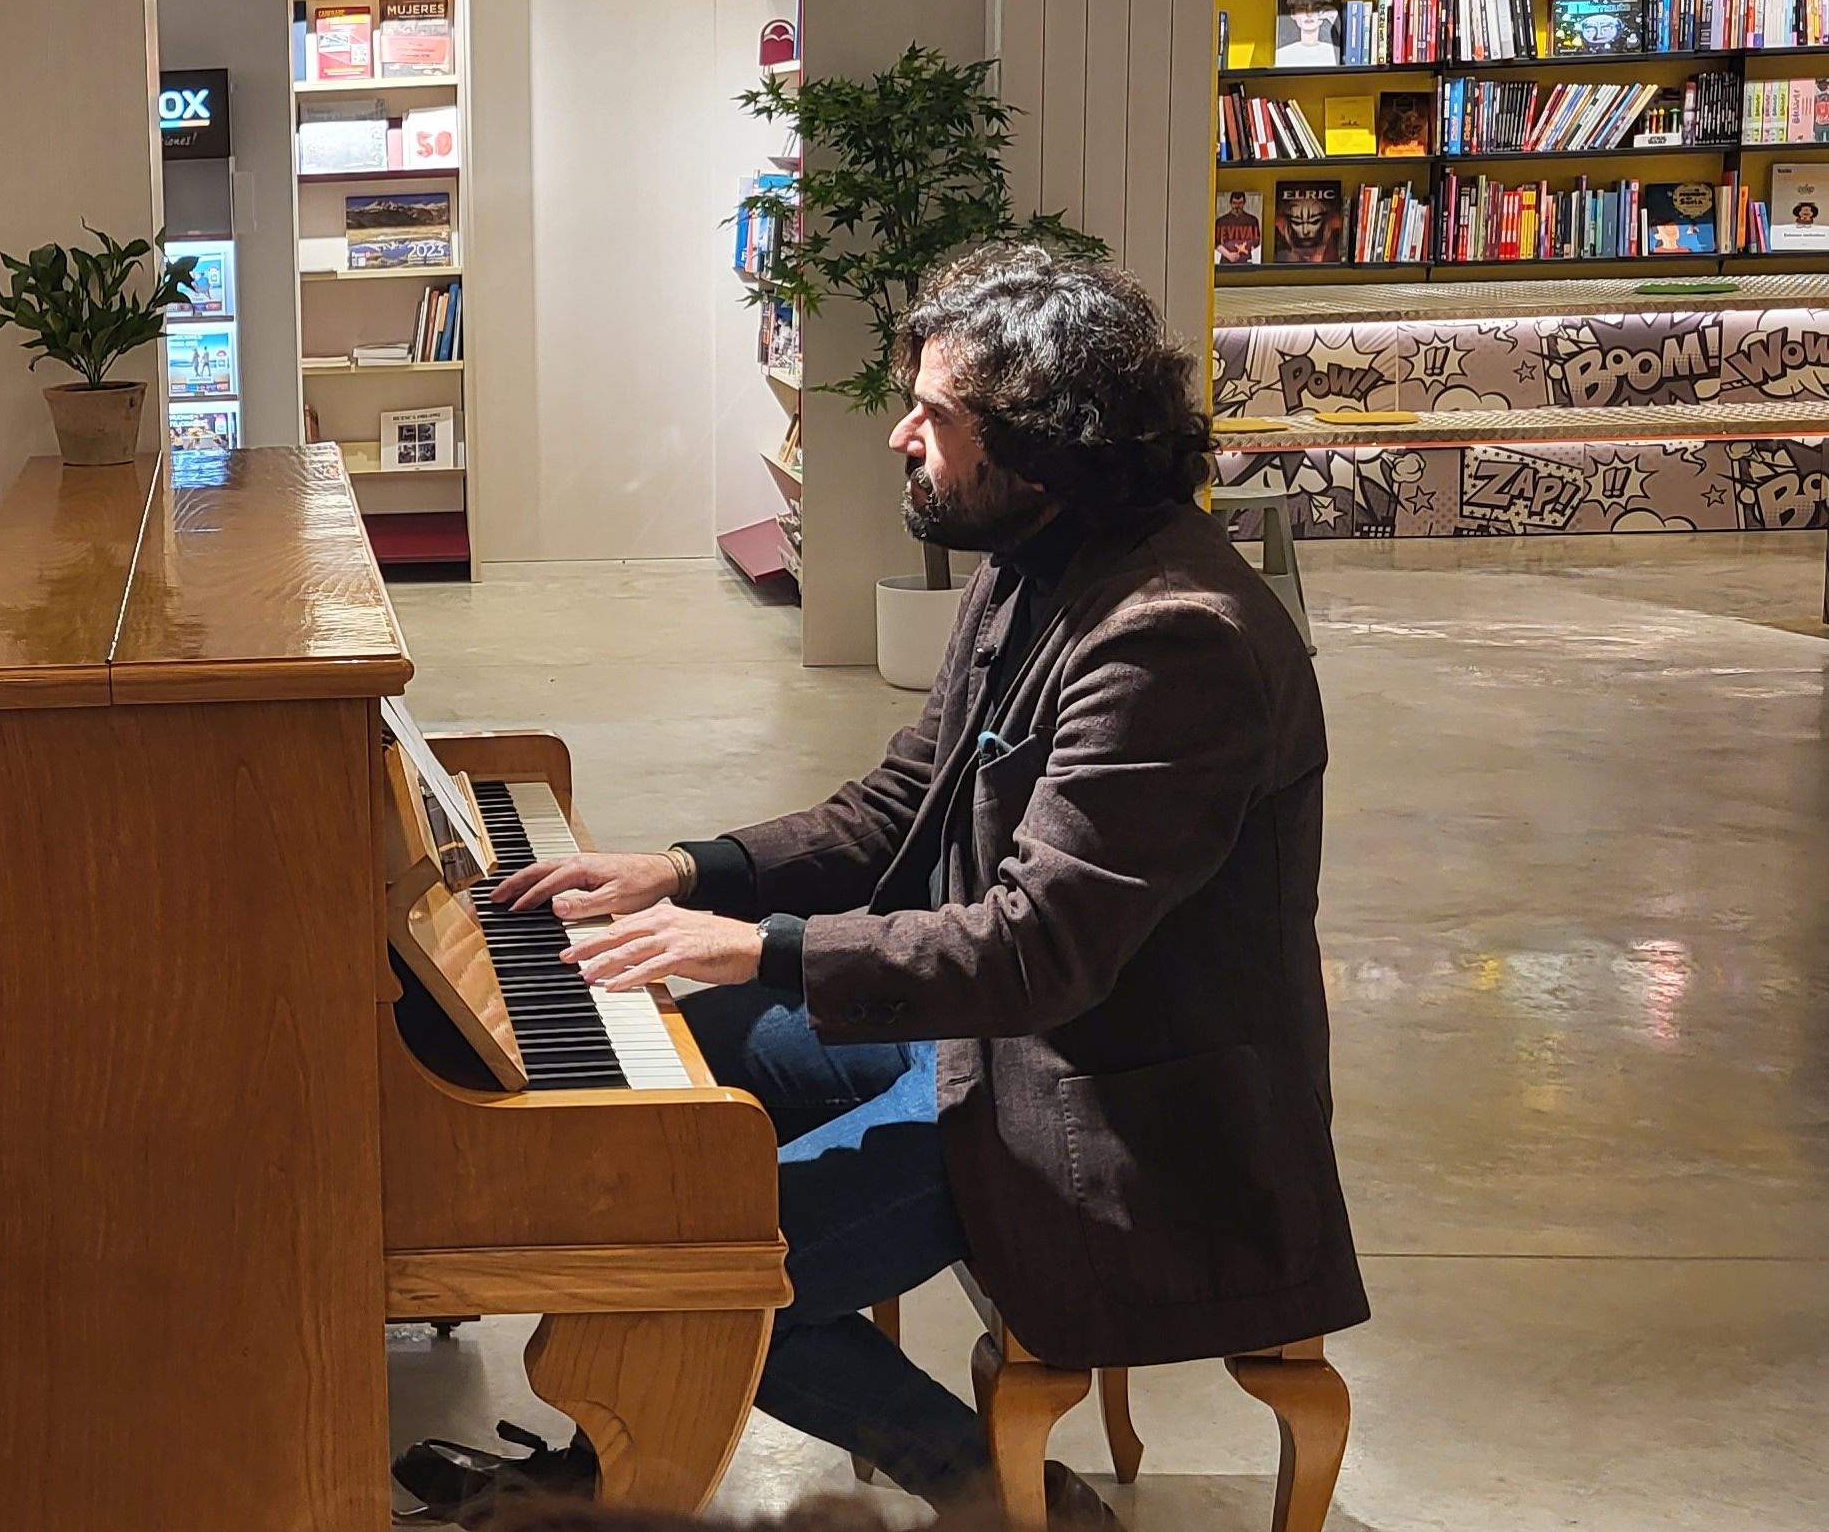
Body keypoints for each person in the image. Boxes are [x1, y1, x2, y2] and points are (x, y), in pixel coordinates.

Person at [491, 249, 1362, 1521]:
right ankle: (630, 1415)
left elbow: (1039, 952)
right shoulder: (1034, 567)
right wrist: (685, 873)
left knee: (718, 1272)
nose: (900, 434)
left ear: (1044, 441)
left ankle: (1006, 1501)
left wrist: (759, 947)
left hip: (1113, 1109)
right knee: (658, 1057)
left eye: (933, 413)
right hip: (991, 1045)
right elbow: (899, 805)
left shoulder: (1174, 639)